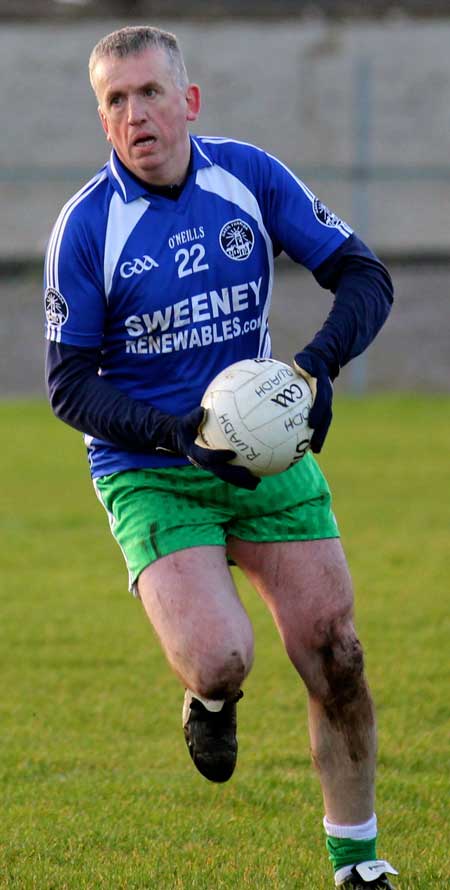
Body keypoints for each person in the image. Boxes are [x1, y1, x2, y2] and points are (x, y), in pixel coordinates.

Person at [44, 25, 398, 889]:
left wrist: (313, 372)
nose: (137, 115)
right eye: (116, 101)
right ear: (104, 121)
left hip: (269, 451)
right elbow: (68, 388)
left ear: (188, 101)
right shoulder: (88, 229)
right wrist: (179, 437)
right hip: (149, 464)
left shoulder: (247, 176)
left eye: (152, 93)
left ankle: (358, 863)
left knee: (337, 652)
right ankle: (209, 700)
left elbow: (364, 274)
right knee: (221, 654)